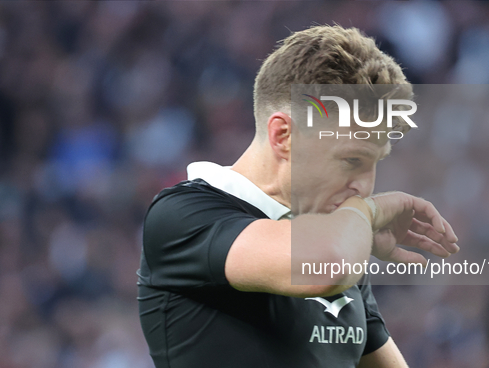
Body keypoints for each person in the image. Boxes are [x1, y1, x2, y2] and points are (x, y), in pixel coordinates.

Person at [137, 25, 459, 368]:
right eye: (351, 160)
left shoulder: (336, 239)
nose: (363, 187)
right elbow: (326, 266)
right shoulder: (183, 214)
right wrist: (369, 213)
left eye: (373, 162)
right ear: (283, 135)